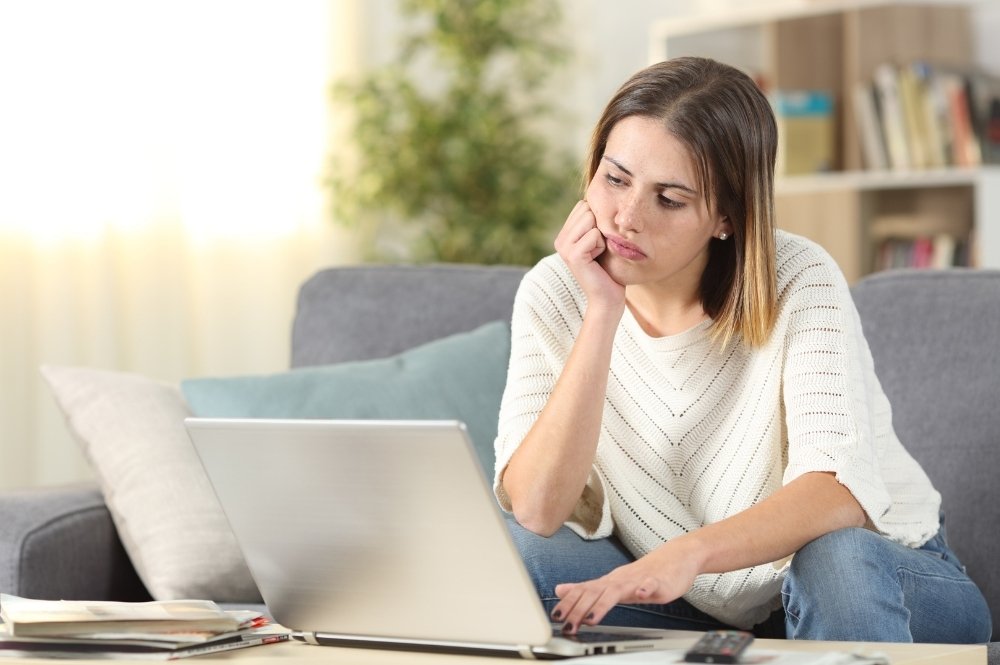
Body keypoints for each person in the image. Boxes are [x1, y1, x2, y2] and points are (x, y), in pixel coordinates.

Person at [492, 56, 992, 644]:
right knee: (524, 553)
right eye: (615, 178)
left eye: (670, 199)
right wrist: (602, 311)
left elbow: (838, 492)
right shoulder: (556, 291)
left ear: (726, 217)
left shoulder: (799, 277)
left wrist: (688, 554)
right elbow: (538, 509)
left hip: (876, 576)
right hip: (694, 602)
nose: (626, 218)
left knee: (838, 560)